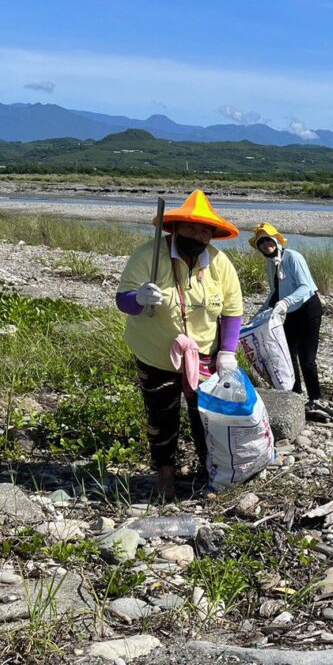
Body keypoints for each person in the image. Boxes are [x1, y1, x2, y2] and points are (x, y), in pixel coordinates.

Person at [116, 190, 243, 500]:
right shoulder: (149, 255)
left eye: (205, 230)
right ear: (176, 227)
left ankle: (210, 468)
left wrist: (227, 351)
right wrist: (139, 298)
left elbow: (232, 309)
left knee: (207, 415)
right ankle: (164, 475)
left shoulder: (218, 262)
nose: (198, 235)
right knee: (161, 416)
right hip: (156, 353)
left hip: (203, 355)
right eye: (192, 227)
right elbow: (123, 300)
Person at [250, 223, 323, 402]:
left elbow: (306, 287)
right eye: (261, 242)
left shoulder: (292, 257)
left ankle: (316, 399)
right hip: (289, 313)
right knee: (288, 355)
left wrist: (285, 301)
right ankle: (295, 396)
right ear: (258, 247)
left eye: (268, 239)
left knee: (307, 359)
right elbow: (275, 291)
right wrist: (259, 313)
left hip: (308, 310)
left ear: (276, 240)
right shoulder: (270, 264)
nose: (266, 244)